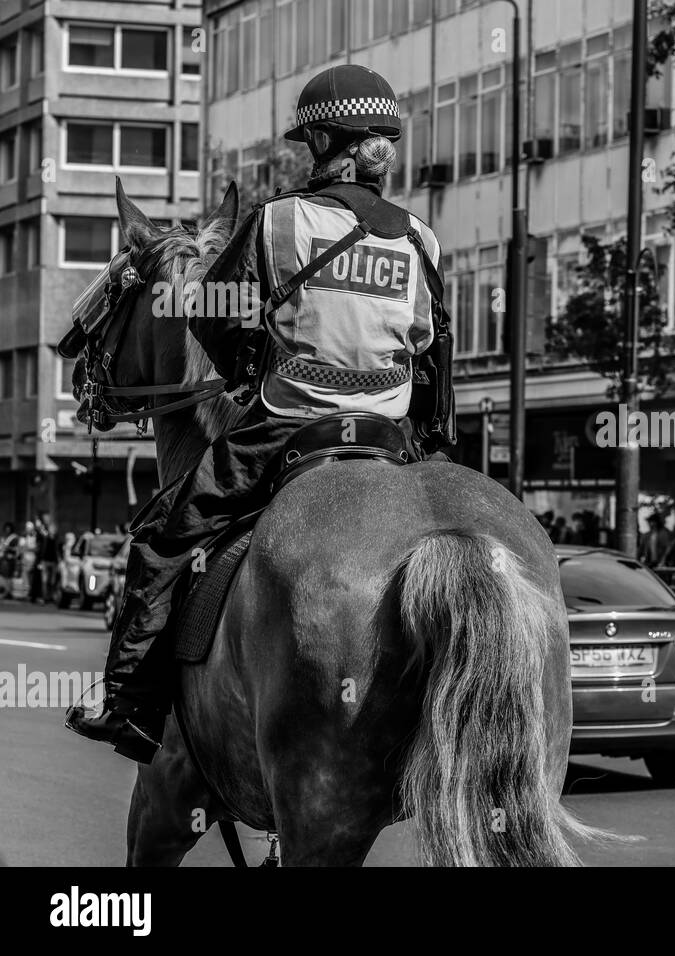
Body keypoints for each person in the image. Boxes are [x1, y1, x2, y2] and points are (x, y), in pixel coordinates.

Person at [67, 64, 453, 764]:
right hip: (390, 438)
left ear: (325, 140)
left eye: (309, 141)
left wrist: (257, 360)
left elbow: (214, 320)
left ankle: (126, 700)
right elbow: (426, 344)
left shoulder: (278, 222)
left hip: (290, 426)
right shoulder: (421, 241)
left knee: (163, 533)